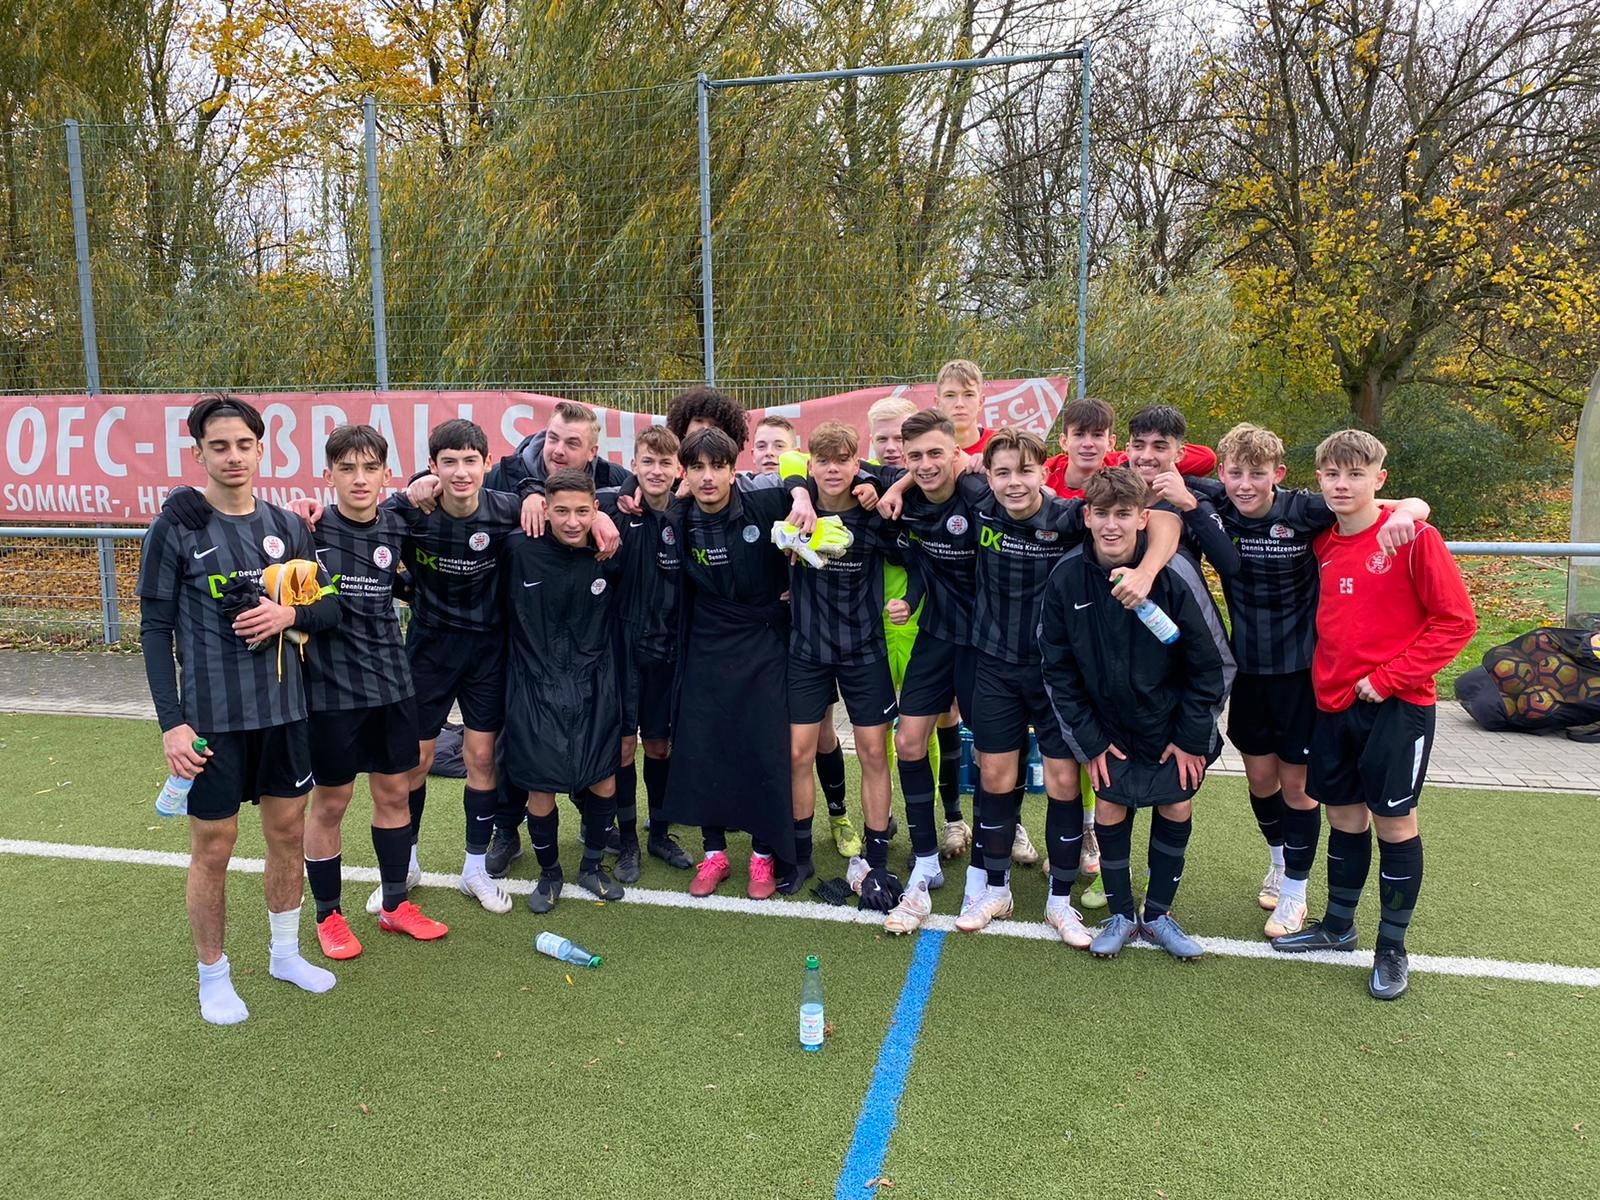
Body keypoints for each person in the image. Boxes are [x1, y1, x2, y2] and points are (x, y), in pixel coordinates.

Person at [138, 394, 342, 1025]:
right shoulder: (176, 528)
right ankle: (214, 975)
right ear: (198, 453)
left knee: (287, 835)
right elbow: (154, 630)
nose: (233, 457)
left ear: (261, 449)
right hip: (212, 720)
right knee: (215, 847)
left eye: (243, 445)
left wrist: (290, 614)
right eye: (219, 446)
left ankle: (285, 954)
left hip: (285, 713)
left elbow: (330, 608)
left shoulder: (289, 526)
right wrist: (172, 723)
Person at [1193, 424, 1428, 937]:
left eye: (1258, 473)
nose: (1246, 484)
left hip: (1303, 674)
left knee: (1298, 788)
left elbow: (1386, 502)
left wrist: (1409, 511)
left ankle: (1295, 892)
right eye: (1236, 473)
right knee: (1261, 780)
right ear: (1223, 474)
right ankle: (1279, 861)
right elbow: (1166, 468)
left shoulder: (1305, 509)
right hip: (1248, 672)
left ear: (1278, 474)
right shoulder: (1217, 504)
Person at [1270, 430, 1476, 1001]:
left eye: (1356, 474)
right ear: (1319, 478)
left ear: (1379, 479)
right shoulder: (1323, 542)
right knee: (1344, 819)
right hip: (1333, 706)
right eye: (1333, 474)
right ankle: (1338, 926)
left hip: (1397, 707)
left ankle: (1392, 947)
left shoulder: (1414, 537)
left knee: (1394, 823)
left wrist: (1387, 679)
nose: (1343, 484)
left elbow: (1457, 623)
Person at [952, 430, 1181, 939]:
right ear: (988, 476)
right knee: (995, 776)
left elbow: (1164, 519)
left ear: (1044, 472)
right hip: (994, 666)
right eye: (1002, 472)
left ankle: (1059, 901)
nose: (1014, 483)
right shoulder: (978, 502)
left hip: (1055, 673)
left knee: (1060, 781)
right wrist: (901, 484)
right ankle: (996, 890)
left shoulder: (1067, 516)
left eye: (1025, 471)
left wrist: (1146, 570)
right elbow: (926, 465)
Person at [1039, 467, 1235, 961]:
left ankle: (1160, 915)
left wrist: (1191, 737)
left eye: (1123, 514)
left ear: (1143, 518)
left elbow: (1213, 665)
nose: (1112, 525)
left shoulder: (1175, 573)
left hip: (1172, 724)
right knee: (1109, 807)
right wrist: (1090, 741)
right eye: (1102, 513)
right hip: (1107, 727)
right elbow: (1057, 669)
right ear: (1086, 516)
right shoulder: (1066, 577)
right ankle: (1122, 915)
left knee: (1176, 804)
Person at [301, 425, 448, 958]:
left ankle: (394, 905)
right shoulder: (307, 528)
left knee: (394, 794)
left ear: (386, 474)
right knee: (331, 802)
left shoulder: (397, 520)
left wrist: (427, 481)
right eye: (347, 469)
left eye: (369, 468)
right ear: (329, 475)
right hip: (331, 691)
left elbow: (450, 484)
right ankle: (329, 916)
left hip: (391, 684)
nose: (359, 479)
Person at [379, 418, 525, 915]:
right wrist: (405, 493)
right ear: (432, 467)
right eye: (449, 462)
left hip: (488, 651)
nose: (460, 472)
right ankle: (407, 864)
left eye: (470, 461)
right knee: (416, 761)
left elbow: (564, 508)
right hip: (429, 649)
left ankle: (474, 870)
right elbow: (364, 524)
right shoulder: (411, 510)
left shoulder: (508, 509)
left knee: (481, 758)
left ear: (487, 463)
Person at [665, 428, 816, 898]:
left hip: (765, 638)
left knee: (763, 746)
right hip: (708, 640)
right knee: (706, 744)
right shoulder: (678, 517)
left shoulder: (766, 501)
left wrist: (802, 494)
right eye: (697, 468)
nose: (708, 477)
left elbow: (809, 470)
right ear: (685, 474)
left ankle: (762, 856)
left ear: (734, 471)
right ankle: (714, 855)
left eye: (717, 466)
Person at [784, 420, 911, 909]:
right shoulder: (794, 508)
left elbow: (914, 554)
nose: (833, 469)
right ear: (811, 465)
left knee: (875, 752)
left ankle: (877, 859)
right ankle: (800, 857)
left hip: (864, 650)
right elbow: (785, 465)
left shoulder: (874, 513)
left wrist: (909, 600)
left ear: (858, 464)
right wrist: (799, 492)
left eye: (843, 460)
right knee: (798, 753)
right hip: (807, 651)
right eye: (824, 461)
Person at [502, 469, 630, 913]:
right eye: (561, 511)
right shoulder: (518, 549)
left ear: (595, 509)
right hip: (535, 685)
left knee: (604, 777)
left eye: (581, 511)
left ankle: (592, 866)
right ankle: (550, 874)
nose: (572, 521)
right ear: (545, 509)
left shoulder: (609, 551)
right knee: (540, 787)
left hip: (595, 683)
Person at [598, 425, 693, 875]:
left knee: (658, 747)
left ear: (678, 470)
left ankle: (659, 834)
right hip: (620, 651)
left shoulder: (687, 515)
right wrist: (614, 500)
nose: (656, 471)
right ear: (633, 465)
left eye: (665, 463)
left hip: (667, 653)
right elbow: (569, 501)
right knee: (622, 749)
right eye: (647, 462)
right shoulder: (613, 510)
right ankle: (628, 841)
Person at [1042, 396, 1218, 500]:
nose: (1088, 444)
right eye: (1079, 435)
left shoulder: (1123, 464)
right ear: (1064, 441)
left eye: (1097, 435)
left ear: (1111, 443)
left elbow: (1207, 458)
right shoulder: (1044, 473)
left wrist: (1164, 455)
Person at [934, 358, 993, 455]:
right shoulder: (925, 450)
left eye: (968, 395)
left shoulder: (1002, 445)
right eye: (950, 395)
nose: (959, 404)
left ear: (981, 402)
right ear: (938, 403)